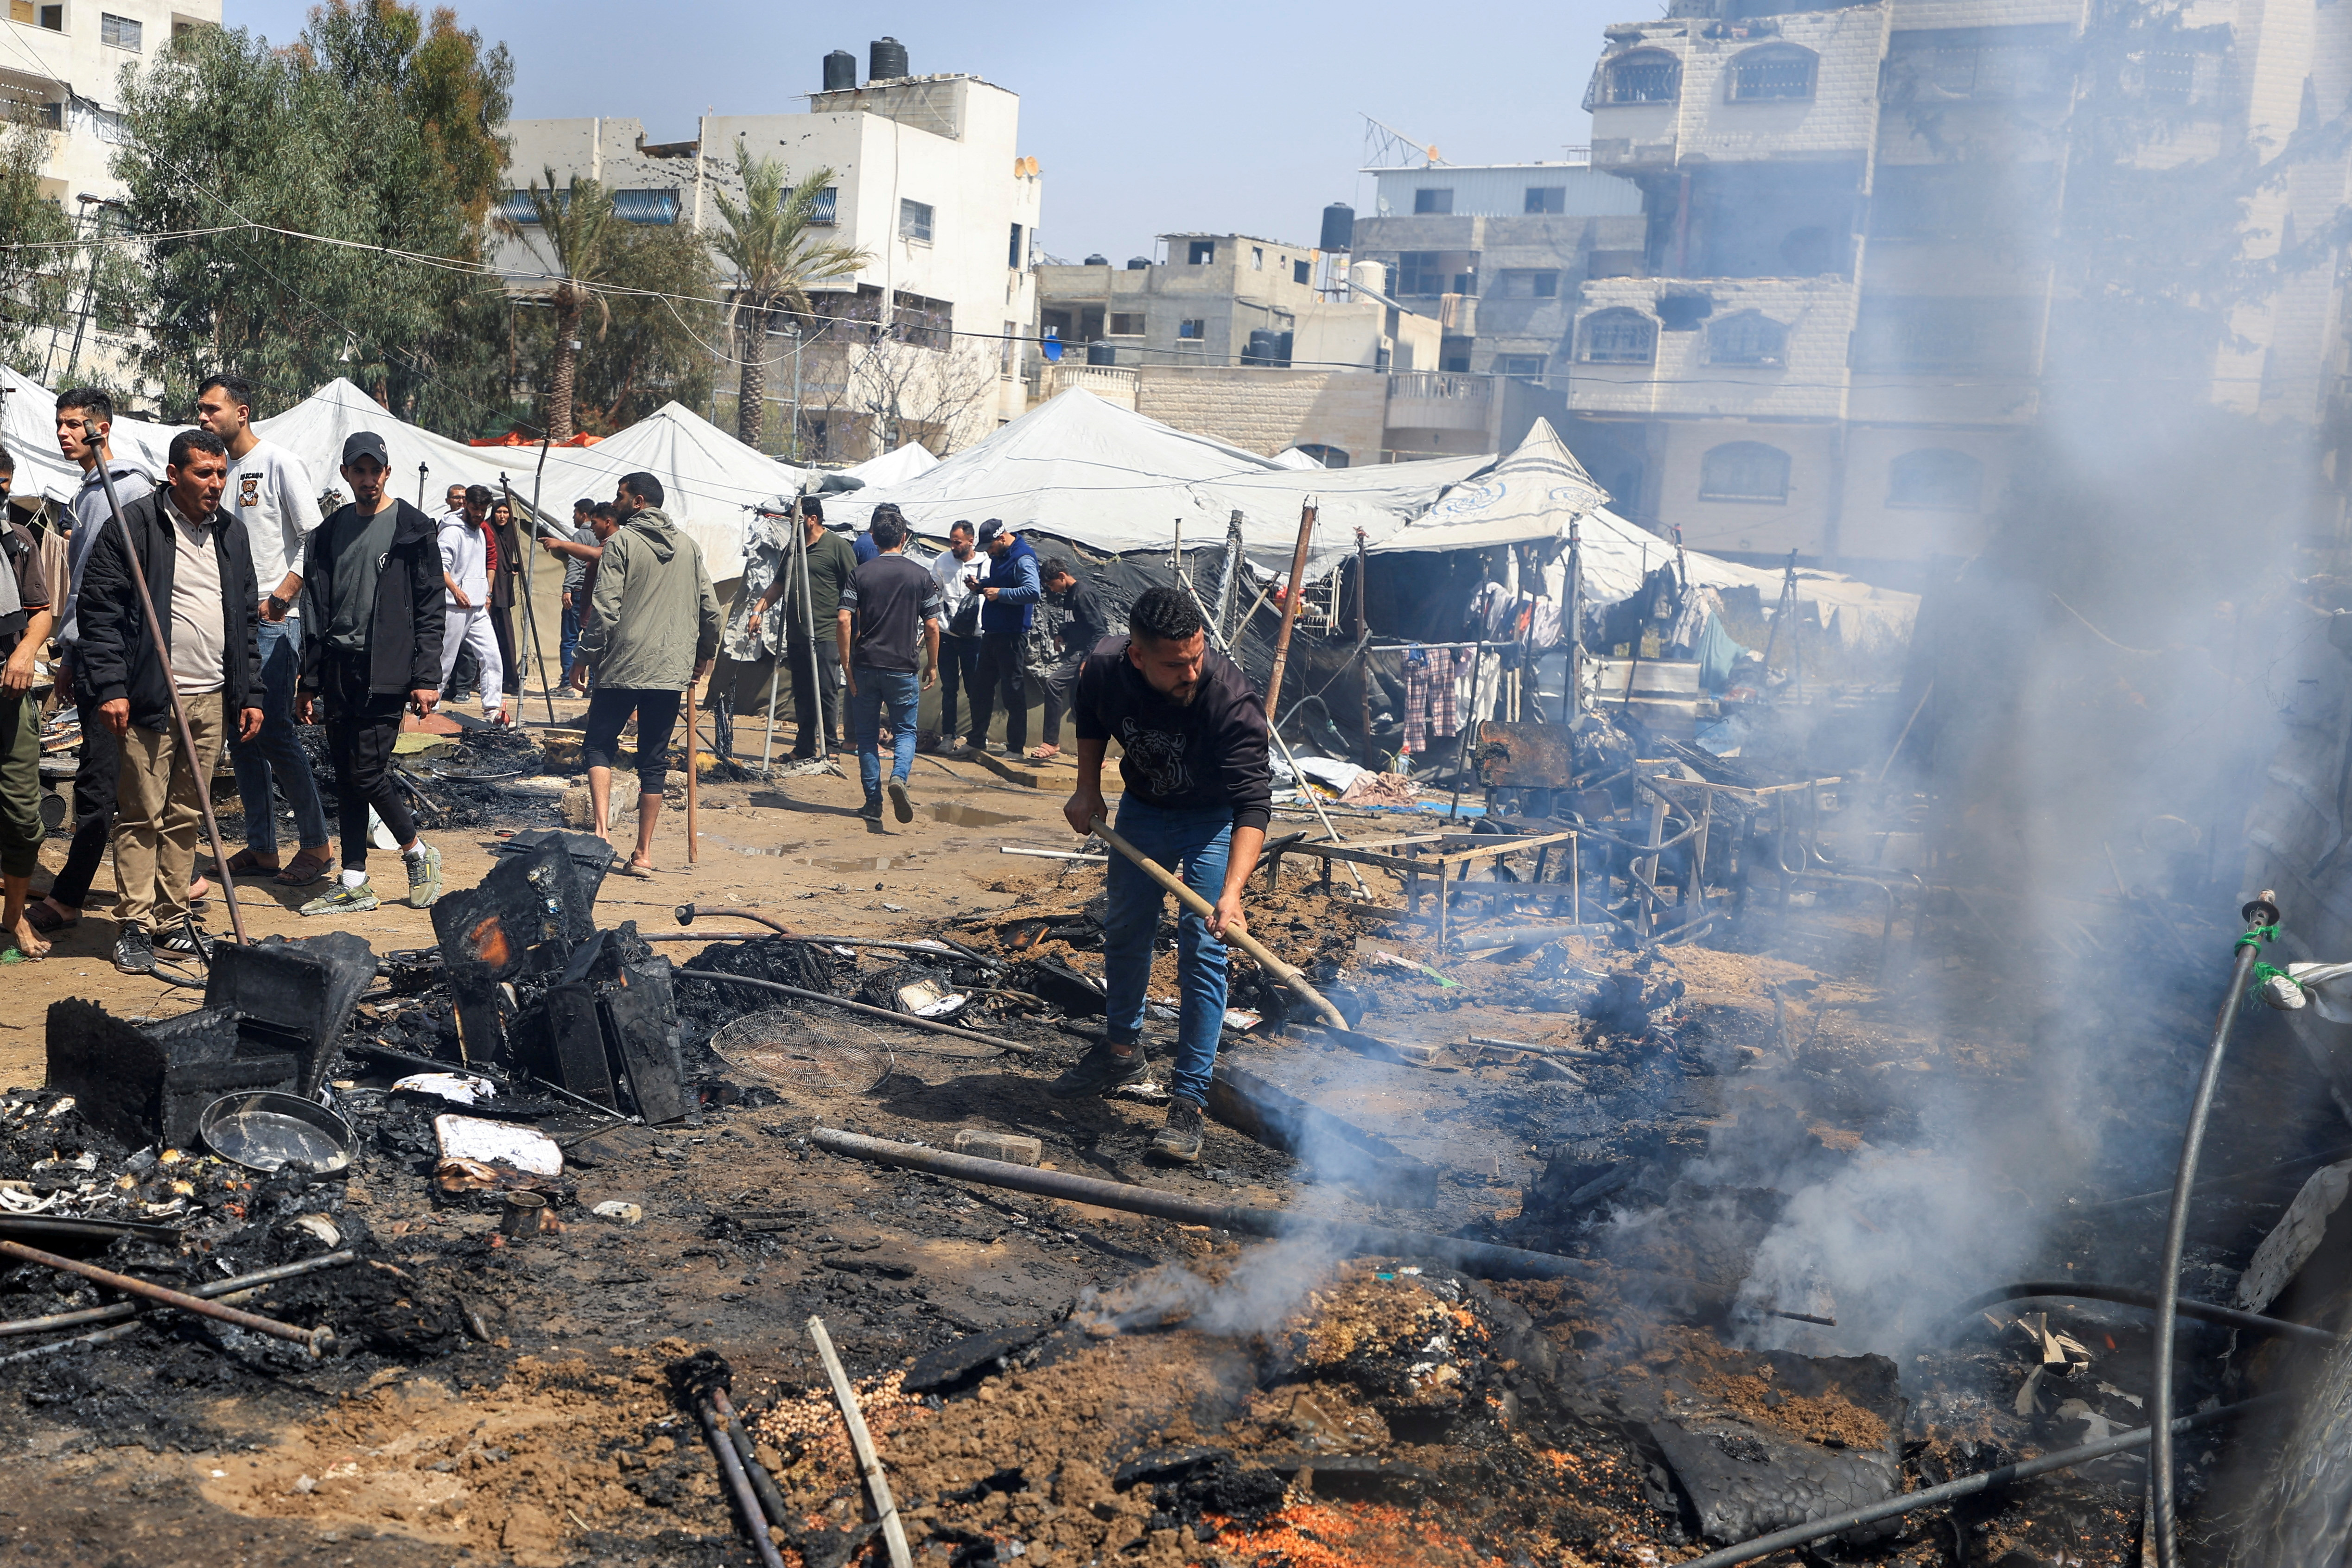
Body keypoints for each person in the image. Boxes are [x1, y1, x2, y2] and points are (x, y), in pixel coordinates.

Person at [1055, 586, 1271, 1164]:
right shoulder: (1103, 664)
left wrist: (1232, 893)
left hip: (1211, 820)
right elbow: (1095, 715)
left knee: (1204, 944)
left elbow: (1254, 802)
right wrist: (1086, 785)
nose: (1191, 670)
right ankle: (1122, 1052)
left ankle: (1189, 1100)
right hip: (1144, 810)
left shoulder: (1229, 697)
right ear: (1137, 656)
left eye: (1197, 655)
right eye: (1175, 663)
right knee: (1126, 927)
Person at [75, 429, 265, 974]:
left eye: (221, 473)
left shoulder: (232, 532)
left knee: (186, 813)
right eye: (204, 473)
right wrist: (111, 686)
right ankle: (133, 924)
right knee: (141, 812)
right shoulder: (133, 525)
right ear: (174, 473)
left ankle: (171, 916)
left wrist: (249, 692)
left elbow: (245, 620)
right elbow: (101, 612)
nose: (215, 484)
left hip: (211, 698)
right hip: (152, 695)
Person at [294, 431, 446, 917]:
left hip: (388, 667)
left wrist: (426, 675)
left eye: (373, 470)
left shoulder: (412, 528)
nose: (367, 479)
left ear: (386, 472)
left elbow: (430, 606)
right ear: (345, 475)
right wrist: (310, 679)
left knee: (366, 770)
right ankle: (355, 879)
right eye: (357, 471)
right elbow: (317, 610)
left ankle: (418, 852)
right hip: (340, 665)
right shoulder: (330, 531)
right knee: (345, 773)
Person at [194, 373, 334, 888]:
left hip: (275, 623)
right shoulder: (217, 472)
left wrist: (282, 596)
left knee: (274, 729)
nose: (204, 418)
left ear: (242, 412)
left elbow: (312, 537)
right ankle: (261, 848)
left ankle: (317, 846)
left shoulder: (277, 462)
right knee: (243, 733)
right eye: (201, 410)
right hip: (232, 624)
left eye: (212, 409)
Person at [32, 388, 159, 937]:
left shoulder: (123, 488)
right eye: (59, 424)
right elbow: (84, 585)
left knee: (101, 778)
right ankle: (180, 883)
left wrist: (93, 651)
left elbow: (110, 587)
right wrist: (70, 652)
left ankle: (69, 897)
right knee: (122, 774)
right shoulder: (88, 490)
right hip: (92, 651)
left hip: (118, 657)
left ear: (101, 429)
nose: (63, 433)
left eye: (74, 424)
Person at [567, 473, 720, 875]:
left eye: (619, 496)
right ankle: (644, 854)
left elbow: (605, 609)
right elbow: (712, 611)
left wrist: (583, 656)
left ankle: (601, 834)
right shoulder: (689, 548)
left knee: (599, 744)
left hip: (623, 665)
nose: (613, 502)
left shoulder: (621, 542)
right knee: (653, 760)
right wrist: (703, 655)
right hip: (670, 672)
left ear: (637, 502)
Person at [839, 508, 941, 825]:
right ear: (905, 538)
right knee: (906, 730)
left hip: (867, 664)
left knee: (867, 735)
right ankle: (899, 777)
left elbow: (843, 618)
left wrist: (846, 665)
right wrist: (932, 665)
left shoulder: (861, 574)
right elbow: (933, 626)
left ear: (873, 537)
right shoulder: (920, 576)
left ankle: (873, 803)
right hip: (903, 666)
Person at [746, 495, 854, 758]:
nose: (790, 523)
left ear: (812, 519)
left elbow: (856, 590)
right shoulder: (793, 549)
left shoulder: (837, 547)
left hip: (827, 634)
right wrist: (758, 610)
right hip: (797, 635)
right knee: (803, 694)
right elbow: (778, 585)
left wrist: (857, 630)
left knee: (826, 692)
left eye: (795, 518)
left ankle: (831, 749)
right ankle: (805, 748)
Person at [0, 443, 53, 960]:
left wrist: (24, 651)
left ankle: (13, 918)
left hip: (10, 697)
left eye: (5, 484)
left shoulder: (18, 543)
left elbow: (41, 612)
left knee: (21, 815)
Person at [965, 519, 1042, 756]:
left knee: (1012, 690)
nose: (988, 551)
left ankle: (1016, 748)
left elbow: (1033, 591)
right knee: (980, 688)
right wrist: (981, 587)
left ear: (1002, 538)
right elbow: (1001, 584)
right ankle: (976, 740)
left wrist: (1001, 593)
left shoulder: (1023, 557)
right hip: (993, 632)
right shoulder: (1000, 556)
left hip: (1012, 635)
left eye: (990, 546)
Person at [438, 485, 507, 724]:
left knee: (492, 656)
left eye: (483, 510)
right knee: (445, 660)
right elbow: (440, 567)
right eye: (476, 509)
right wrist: (455, 591)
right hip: (454, 607)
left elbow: (488, 561)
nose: (479, 514)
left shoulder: (480, 531)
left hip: (477, 607)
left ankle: (492, 710)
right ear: (466, 504)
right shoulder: (451, 533)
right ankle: (430, 705)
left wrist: (485, 593)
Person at [1030, 557, 1111, 761]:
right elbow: (1073, 623)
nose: (1051, 589)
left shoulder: (1083, 595)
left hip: (1084, 654)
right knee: (1078, 708)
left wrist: (1087, 659)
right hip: (1075, 652)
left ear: (1062, 576)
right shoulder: (1068, 596)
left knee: (1053, 683)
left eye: (1051, 584)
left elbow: (1099, 631)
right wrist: (1061, 635)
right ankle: (1095, 755)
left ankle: (1051, 742)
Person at [926, 520, 982, 752]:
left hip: (976, 636)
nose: (953, 546)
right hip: (948, 633)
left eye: (957, 542)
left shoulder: (986, 563)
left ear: (971, 541)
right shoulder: (943, 561)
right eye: (951, 542)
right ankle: (949, 735)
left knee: (975, 688)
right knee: (949, 687)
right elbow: (933, 588)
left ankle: (977, 737)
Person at [552, 497, 598, 686]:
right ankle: (593, 685)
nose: (574, 518)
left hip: (579, 590)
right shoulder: (604, 535)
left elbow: (575, 564)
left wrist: (567, 589)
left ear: (584, 515)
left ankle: (567, 683)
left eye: (575, 514)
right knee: (595, 639)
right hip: (596, 593)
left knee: (570, 638)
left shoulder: (581, 536)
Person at [485, 497, 524, 705]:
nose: (502, 516)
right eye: (499, 512)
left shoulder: (510, 533)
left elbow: (506, 557)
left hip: (504, 588)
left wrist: (512, 566)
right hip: (488, 589)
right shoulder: (487, 530)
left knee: (506, 635)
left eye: (506, 513)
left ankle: (510, 679)